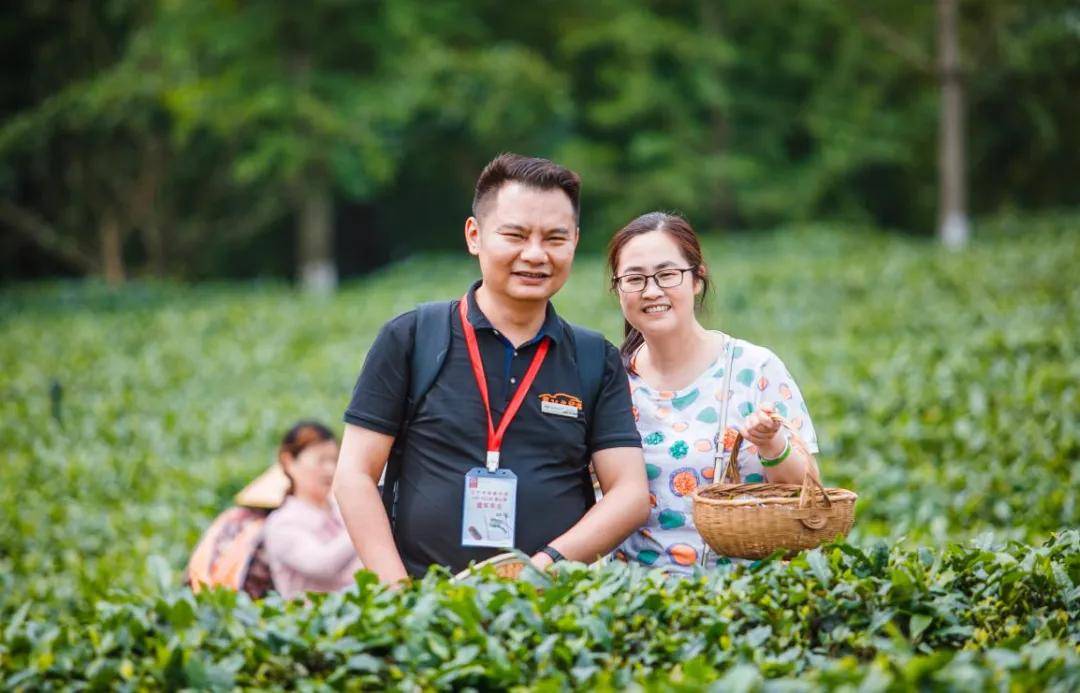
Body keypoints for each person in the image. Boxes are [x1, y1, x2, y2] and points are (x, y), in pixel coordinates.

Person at [334, 153, 649, 584]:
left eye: (555, 238)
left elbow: (630, 493)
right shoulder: (411, 338)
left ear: (575, 240)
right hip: (426, 602)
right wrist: (400, 596)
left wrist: (543, 567)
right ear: (474, 235)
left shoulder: (595, 357)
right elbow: (354, 474)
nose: (535, 254)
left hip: (554, 609)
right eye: (515, 235)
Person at [608, 212, 820, 573]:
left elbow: (812, 496)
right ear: (619, 289)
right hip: (636, 601)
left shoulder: (755, 368)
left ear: (696, 279)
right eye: (634, 278)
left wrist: (772, 445)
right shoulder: (609, 379)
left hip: (746, 597)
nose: (651, 290)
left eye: (667, 274)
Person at [262, 421, 362, 599]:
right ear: (289, 461)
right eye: (321, 460)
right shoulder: (282, 524)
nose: (330, 469)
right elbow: (322, 565)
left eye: (334, 460)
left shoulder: (340, 507)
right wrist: (366, 524)